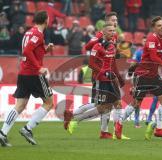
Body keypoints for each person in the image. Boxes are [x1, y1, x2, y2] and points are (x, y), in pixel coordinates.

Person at [0, 11, 54, 147]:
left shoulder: (29, 32)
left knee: (20, 105)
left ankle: (3, 133)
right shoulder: (37, 34)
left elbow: (32, 51)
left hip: (23, 72)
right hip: (34, 74)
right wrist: (39, 67)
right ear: (46, 20)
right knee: (48, 103)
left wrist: (46, 49)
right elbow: (27, 51)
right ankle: (27, 129)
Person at [124, 16, 162, 140]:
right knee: (136, 103)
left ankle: (159, 129)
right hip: (143, 74)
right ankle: (118, 124)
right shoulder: (151, 38)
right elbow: (154, 57)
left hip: (154, 76)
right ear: (154, 28)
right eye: (159, 25)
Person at [64, 23, 124, 139]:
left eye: (114, 31)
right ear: (104, 32)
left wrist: (119, 77)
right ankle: (75, 120)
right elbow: (91, 64)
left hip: (112, 79)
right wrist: (104, 72)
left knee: (118, 104)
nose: (113, 33)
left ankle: (117, 131)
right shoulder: (97, 46)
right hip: (102, 80)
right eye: (110, 31)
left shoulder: (112, 45)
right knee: (102, 107)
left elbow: (113, 63)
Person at [81, 12, 128, 139]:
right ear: (107, 21)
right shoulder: (100, 36)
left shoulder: (114, 36)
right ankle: (73, 117)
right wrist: (101, 40)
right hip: (99, 76)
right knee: (99, 104)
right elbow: (87, 47)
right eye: (113, 20)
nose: (116, 22)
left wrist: (119, 54)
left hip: (110, 75)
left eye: (117, 20)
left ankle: (110, 132)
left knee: (113, 103)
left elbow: (112, 57)